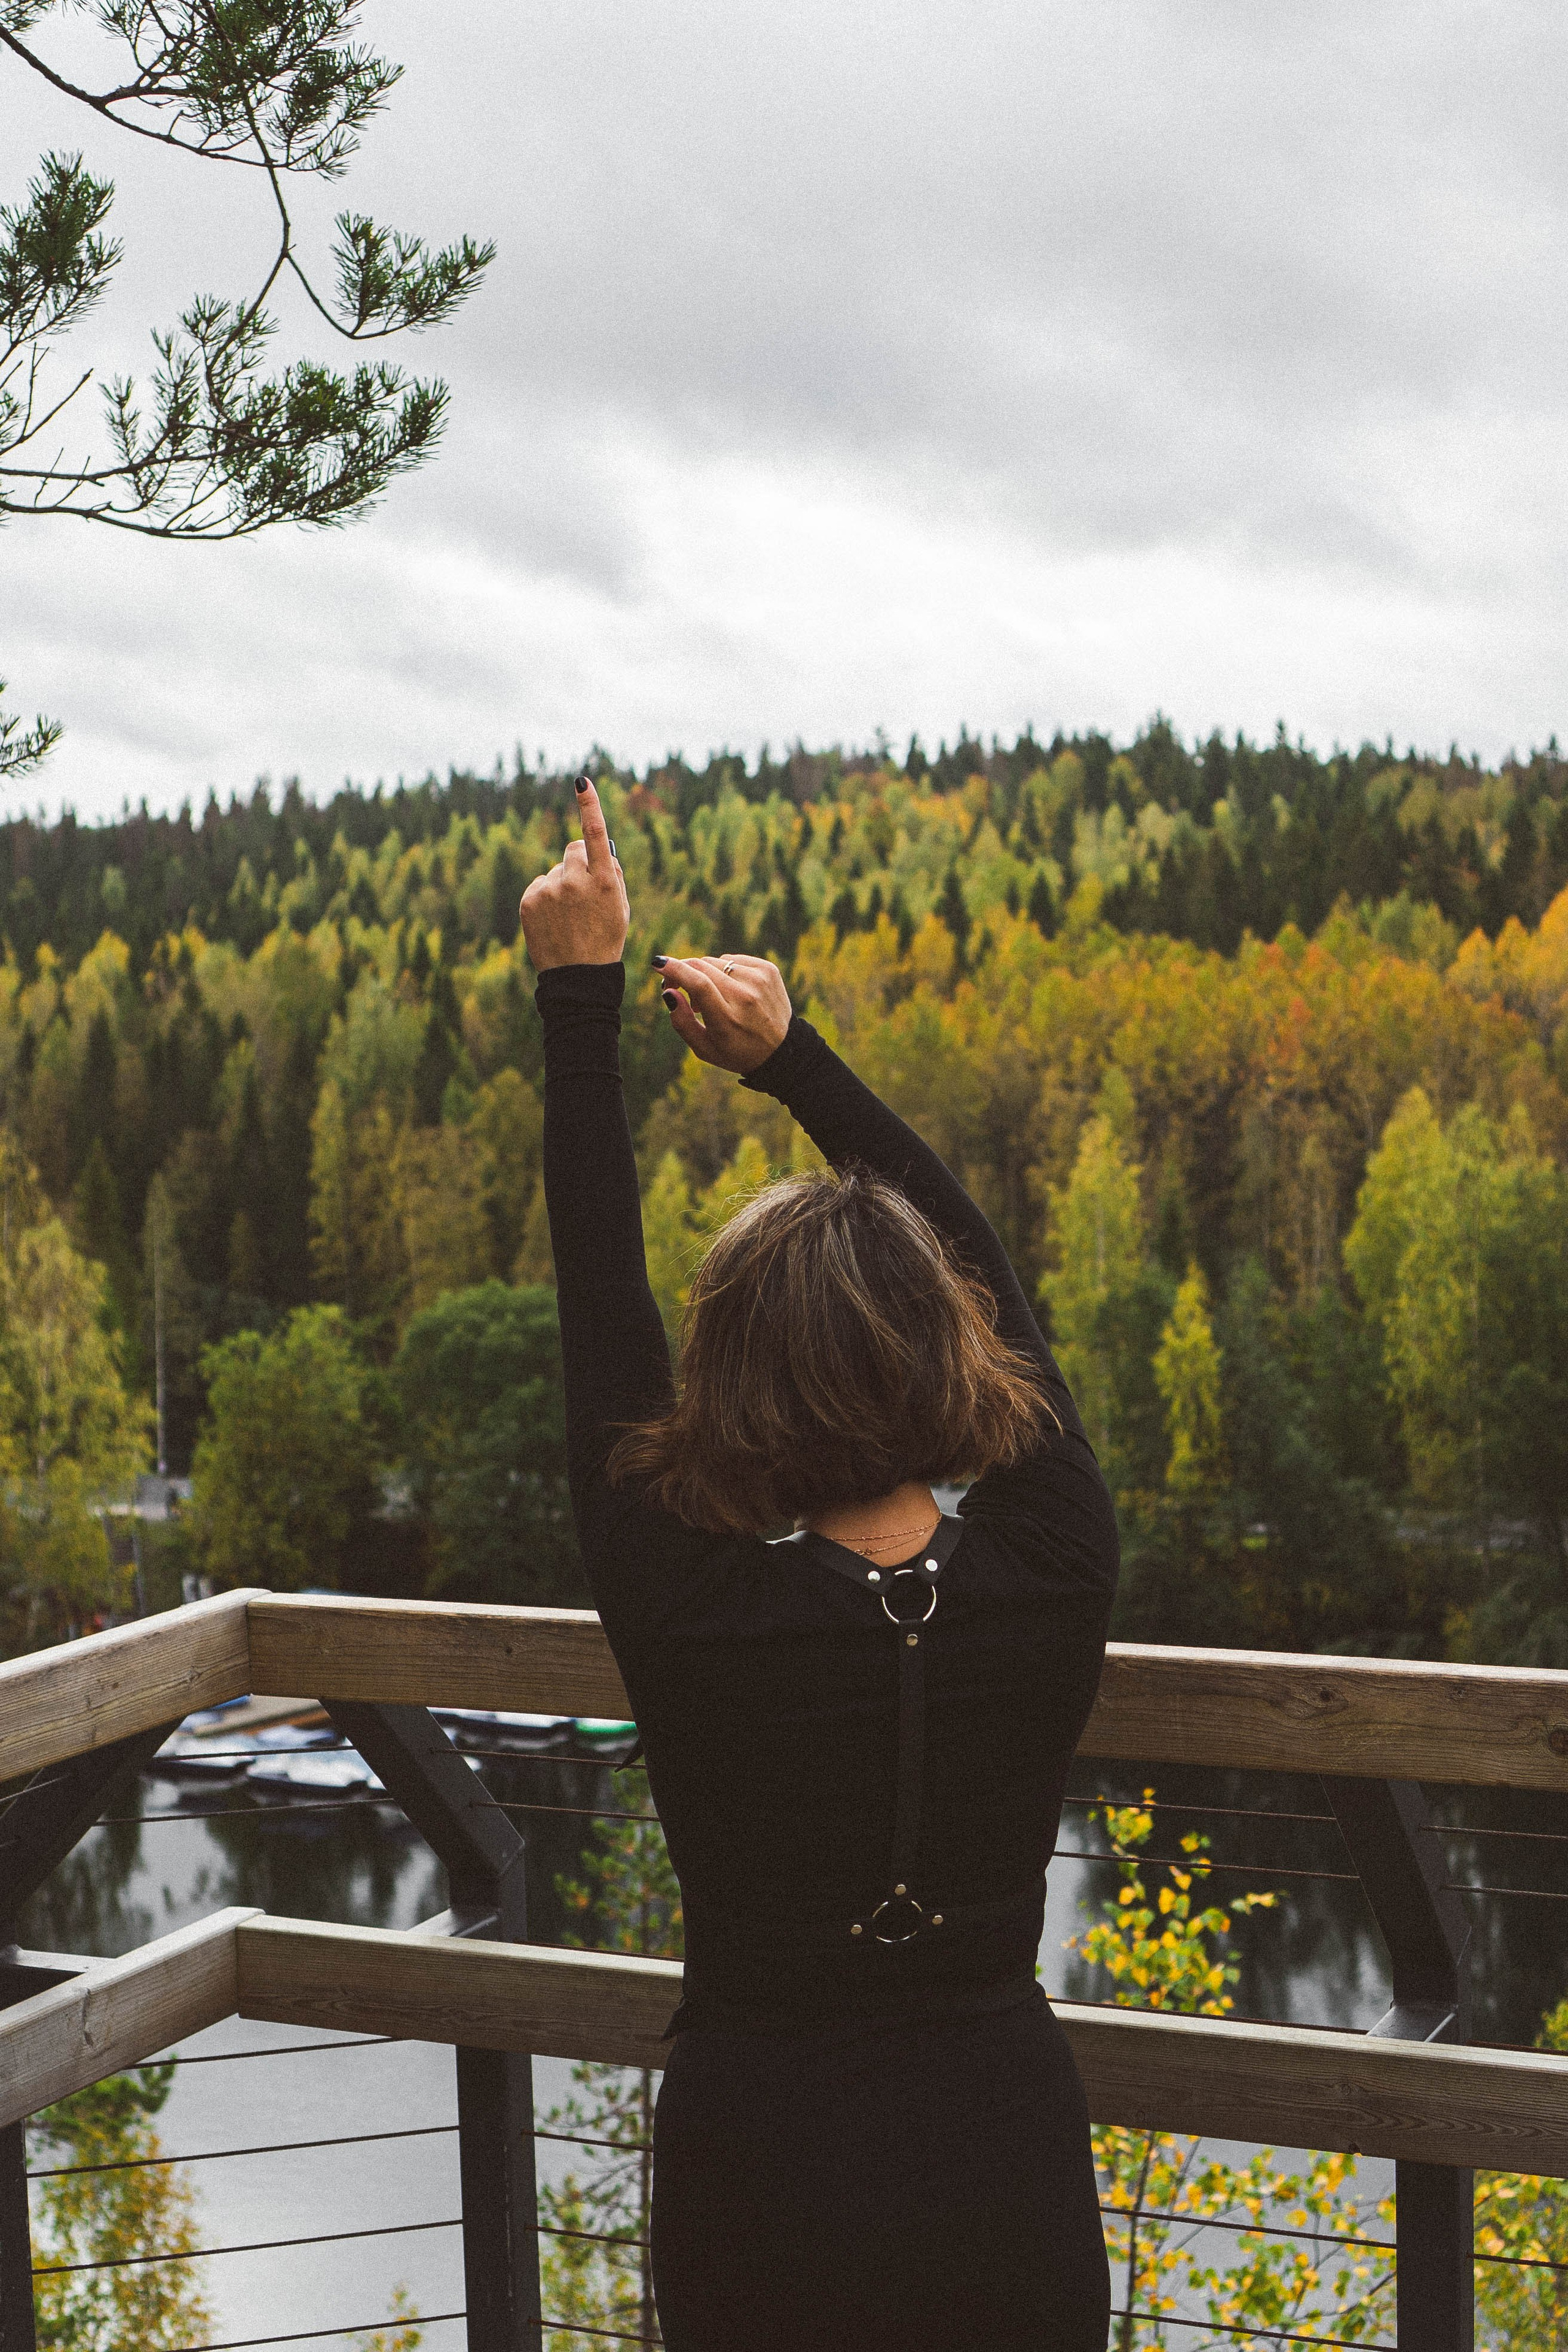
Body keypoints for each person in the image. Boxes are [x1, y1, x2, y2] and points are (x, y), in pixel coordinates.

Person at [521, 778, 1117, 2352]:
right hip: (1003, 2138)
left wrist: (578, 998)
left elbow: (601, 1314)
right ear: (958, 1348)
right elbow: (982, 1268)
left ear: (729, 1381)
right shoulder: (1055, 1560)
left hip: (764, 2147)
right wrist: (796, 1065)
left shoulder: (696, 1610)